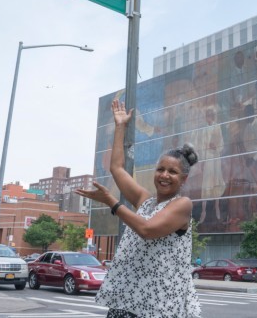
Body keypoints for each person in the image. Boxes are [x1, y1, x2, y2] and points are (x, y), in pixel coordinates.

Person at [76, 99, 201, 318]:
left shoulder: (183, 204)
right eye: (160, 169)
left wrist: (112, 203)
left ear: (183, 179)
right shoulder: (146, 201)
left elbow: (147, 230)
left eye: (172, 172)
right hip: (129, 298)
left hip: (159, 305)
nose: (164, 175)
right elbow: (116, 167)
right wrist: (120, 126)